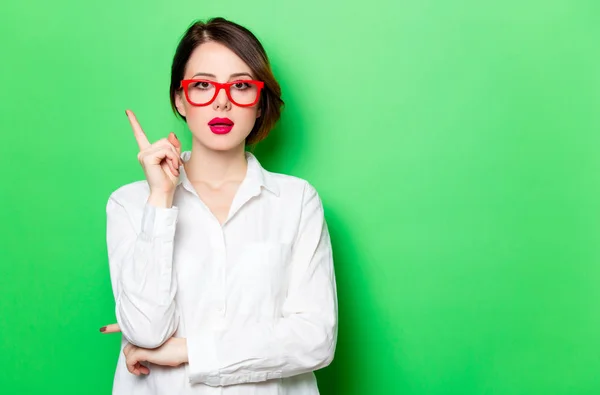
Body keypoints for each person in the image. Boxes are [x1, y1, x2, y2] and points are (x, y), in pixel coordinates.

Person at [99, 17, 338, 395]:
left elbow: (314, 339)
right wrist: (160, 199)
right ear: (180, 98)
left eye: (241, 85)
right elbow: (145, 329)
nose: (222, 101)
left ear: (259, 102)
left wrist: (187, 351)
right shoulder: (131, 203)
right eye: (203, 85)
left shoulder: (296, 202)